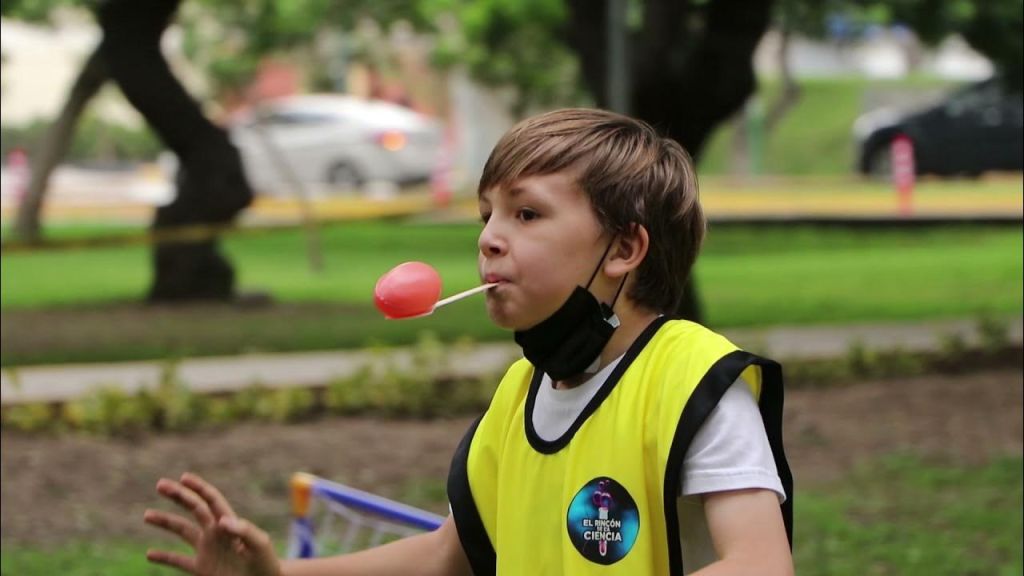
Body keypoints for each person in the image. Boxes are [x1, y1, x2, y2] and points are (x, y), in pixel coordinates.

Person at [145, 108, 794, 575]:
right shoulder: (519, 397)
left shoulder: (693, 383)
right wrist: (278, 574)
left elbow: (760, 563)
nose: (488, 239)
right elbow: (444, 555)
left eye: (526, 213)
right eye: (487, 216)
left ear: (624, 248)